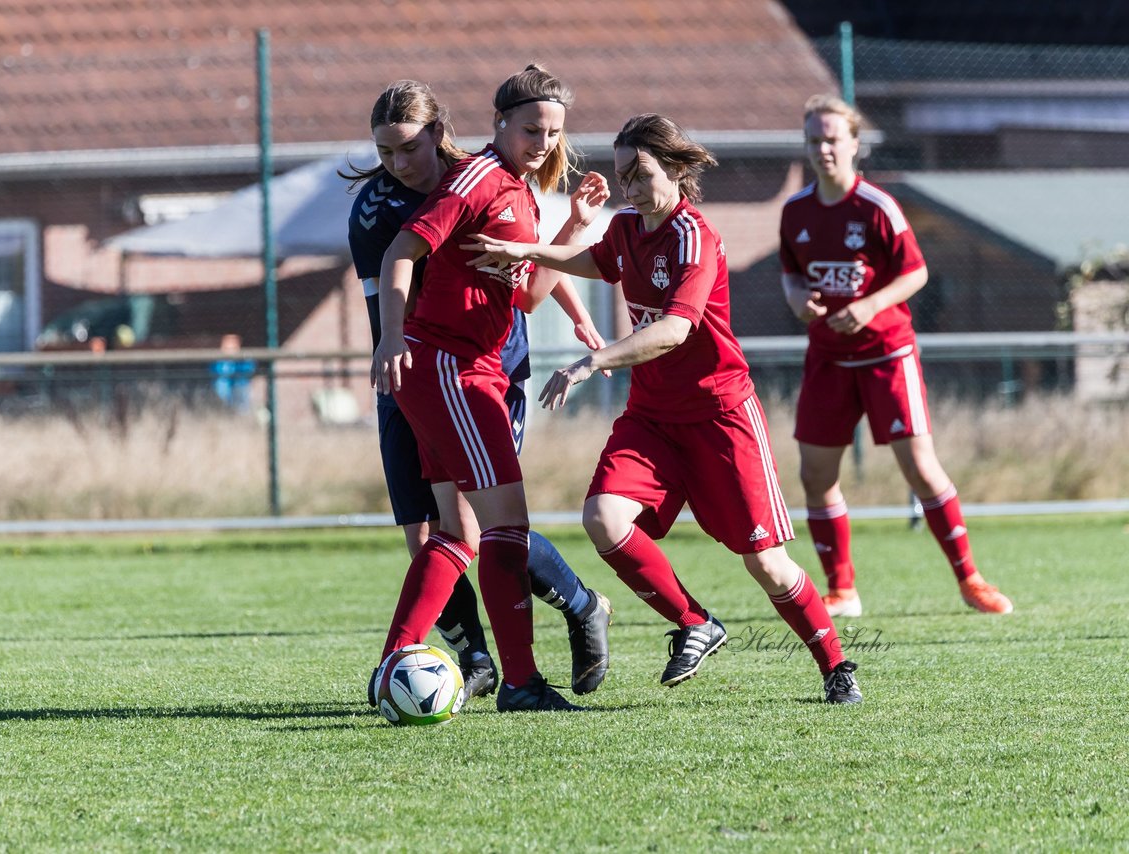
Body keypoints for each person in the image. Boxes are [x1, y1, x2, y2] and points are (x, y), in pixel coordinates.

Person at [463, 113, 861, 704]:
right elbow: (591, 262)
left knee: (768, 565)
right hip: (652, 417)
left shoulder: (693, 236)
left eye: (640, 173)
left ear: (674, 169)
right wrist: (520, 248)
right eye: (623, 175)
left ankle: (835, 666)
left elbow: (675, 329)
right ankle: (696, 623)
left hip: (720, 417)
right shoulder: (626, 228)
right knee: (602, 518)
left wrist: (591, 362)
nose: (629, 187)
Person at [346, 80, 613, 702]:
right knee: (504, 529)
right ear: (497, 123)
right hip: (451, 370)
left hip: (473, 370)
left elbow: (526, 295)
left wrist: (573, 228)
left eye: (552, 133)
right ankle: (520, 680)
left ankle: (394, 666)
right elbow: (400, 254)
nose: (543, 144)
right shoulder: (478, 179)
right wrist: (390, 337)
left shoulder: (516, 190)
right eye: (531, 131)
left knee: (458, 532)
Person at [778, 95, 1013, 617]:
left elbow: (916, 272)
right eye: (814, 141)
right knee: (815, 476)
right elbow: (792, 272)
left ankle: (970, 580)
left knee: (922, 471)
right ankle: (842, 590)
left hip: (886, 354)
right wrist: (796, 297)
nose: (823, 149)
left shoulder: (877, 207)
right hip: (828, 358)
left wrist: (868, 306)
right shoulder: (795, 211)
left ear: (855, 145)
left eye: (833, 139)